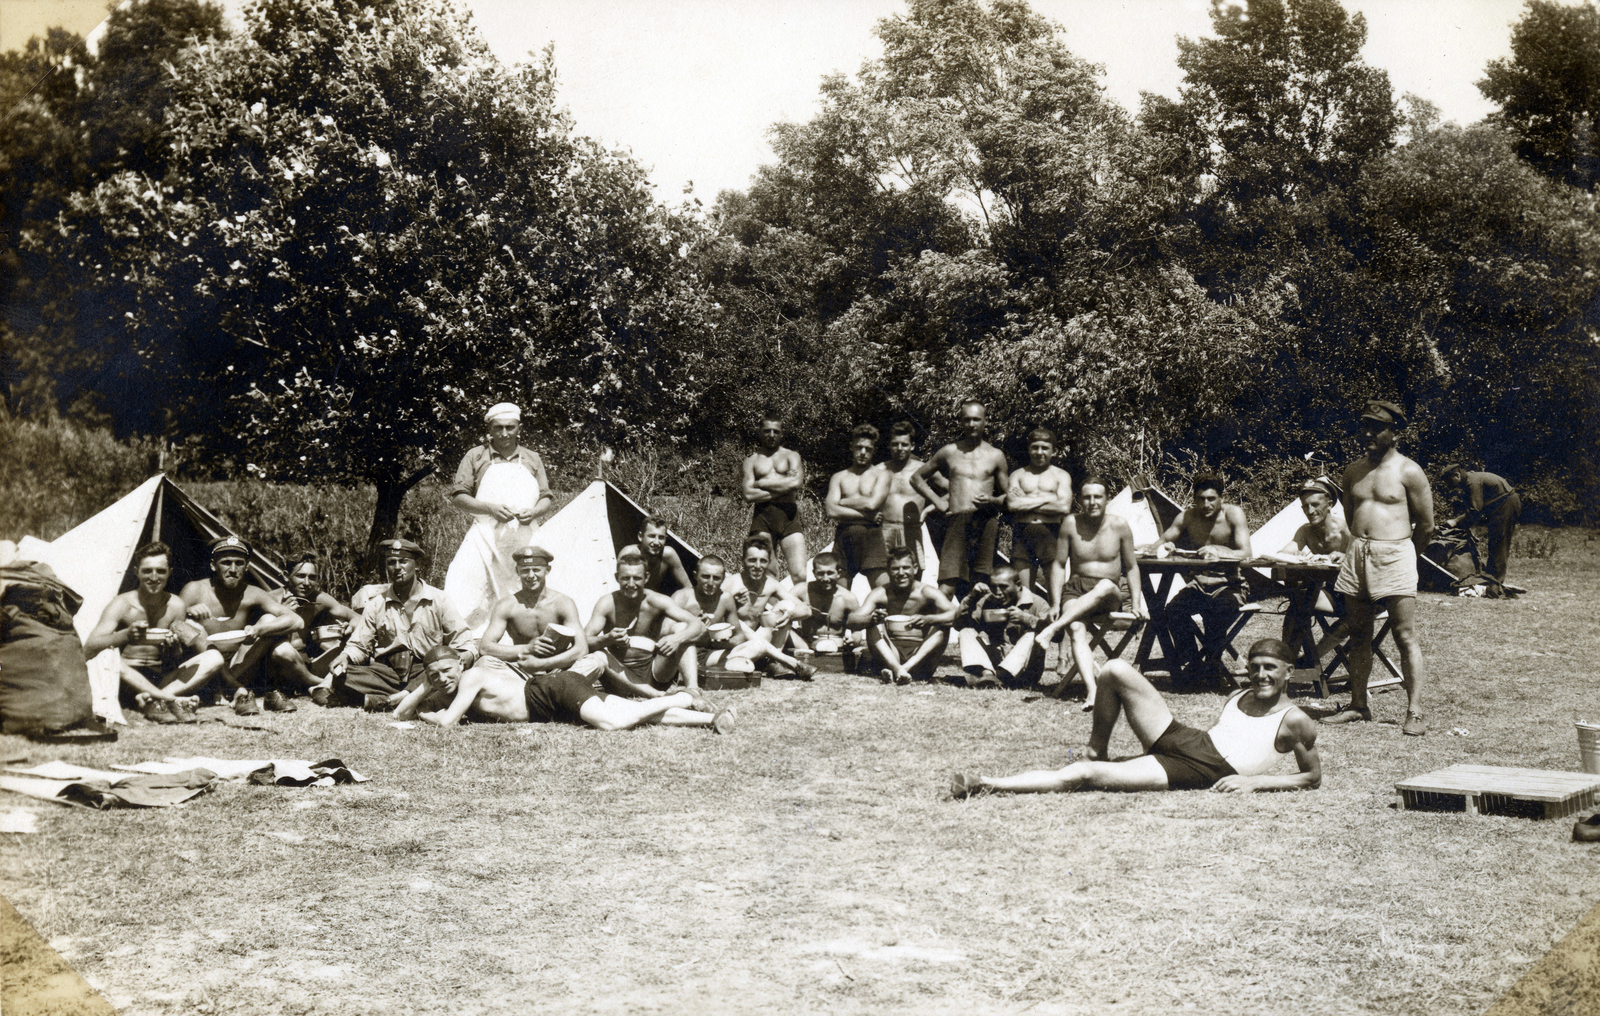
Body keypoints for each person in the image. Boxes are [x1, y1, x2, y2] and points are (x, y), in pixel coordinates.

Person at [949, 639, 1321, 797]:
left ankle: (986, 783)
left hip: (1200, 770)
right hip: (1187, 740)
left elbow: (1311, 777)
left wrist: (1254, 784)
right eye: (1254, 668)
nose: (1261, 676)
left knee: (1083, 775)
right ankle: (1098, 747)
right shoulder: (1239, 693)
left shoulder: (1295, 720)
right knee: (1114, 669)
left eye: (1270, 669)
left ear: (1289, 672)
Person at [1322, 401, 1433, 735]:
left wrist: (1405, 556)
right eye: (1364, 426)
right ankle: (1358, 705)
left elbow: (1427, 526)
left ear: (1394, 432)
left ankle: (1414, 711)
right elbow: (1351, 515)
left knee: (1404, 634)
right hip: (1358, 555)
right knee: (1359, 634)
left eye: (1376, 428)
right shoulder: (1353, 471)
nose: (1367, 434)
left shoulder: (1409, 472)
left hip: (1396, 554)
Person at [394, 645, 735, 733]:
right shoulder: (450, 682)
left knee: (611, 723)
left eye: (444, 671)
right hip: (551, 700)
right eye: (433, 676)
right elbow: (399, 712)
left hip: (549, 690)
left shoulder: (471, 677)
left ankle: (681, 696)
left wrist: (427, 712)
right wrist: (428, 683)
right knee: (629, 715)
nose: (440, 680)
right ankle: (709, 720)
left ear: (459, 663)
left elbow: (447, 723)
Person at [329, 539, 478, 710]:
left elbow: (465, 642)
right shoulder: (377, 603)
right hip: (388, 673)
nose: (397, 567)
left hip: (425, 669)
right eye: (392, 562)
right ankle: (410, 697)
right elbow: (360, 644)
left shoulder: (439, 599)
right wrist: (344, 657)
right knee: (343, 676)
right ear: (387, 568)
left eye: (403, 561)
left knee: (441, 675)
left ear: (416, 566)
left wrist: (464, 657)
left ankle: (389, 700)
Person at [443, 402, 555, 630]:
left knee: (526, 588)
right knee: (465, 587)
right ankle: (467, 640)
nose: (504, 433)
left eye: (510, 427)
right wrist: (490, 509)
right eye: (498, 428)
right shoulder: (476, 456)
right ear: (490, 429)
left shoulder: (532, 458)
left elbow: (546, 497)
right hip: (485, 537)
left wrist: (534, 512)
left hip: (525, 537)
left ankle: (524, 635)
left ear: (519, 428)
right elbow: (458, 496)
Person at [82, 541, 219, 724]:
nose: (154, 577)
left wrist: (174, 649)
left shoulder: (176, 605)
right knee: (107, 654)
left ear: (169, 572)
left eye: (160, 571)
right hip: (123, 679)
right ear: (137, 571)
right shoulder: (122, 604)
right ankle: (167, 699)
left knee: (214, 658)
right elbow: (89, 647)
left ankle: (154, 698)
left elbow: (174, 659)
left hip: (158, 677)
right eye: (147, 571)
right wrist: (126, 635)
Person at [1039, 477, 1147, 709]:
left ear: (1107, 499)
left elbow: (1132, 567)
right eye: (1086, 497)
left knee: (1106, 586)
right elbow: (1058, 565)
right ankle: (1092, 691)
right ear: (1080, 499)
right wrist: (1056, 603)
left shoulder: (1119, 525)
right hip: (1075, 590)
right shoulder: (1070, 523)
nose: (1092, 502)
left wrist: (1136, 603)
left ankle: (1053, 630)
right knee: (1077, 628)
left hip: (1107, 594)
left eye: (1097, 496)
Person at [179, 535, 304, 715]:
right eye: (226, 563)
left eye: (239, 563)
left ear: (246, 567)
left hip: (238, 665)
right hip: (204, 666)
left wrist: (258, 629)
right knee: (192, 625)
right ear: (213, 565)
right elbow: (174, 625)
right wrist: (189, 611)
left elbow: (296, 620)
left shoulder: (252, 593)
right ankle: (233, 687)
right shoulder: (195, 589)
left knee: (269, 620)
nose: (233, 569)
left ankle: (226, 687)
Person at [1155, 474, 1253, 681]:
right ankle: (1194, 662)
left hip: (1231, 585)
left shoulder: (1233, 514)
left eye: (1211, 499)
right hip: (1200, 585)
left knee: (1217, 610)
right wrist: (1166, 546)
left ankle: (1212, 663)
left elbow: (1246, 553)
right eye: (1200, 499)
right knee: (1172, 611)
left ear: (1221, 498)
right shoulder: (1187, 517)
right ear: (1194, 499)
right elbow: (1162, 541)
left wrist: (1219, 550)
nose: (1206, 504)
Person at [913, 400, 1010, 600]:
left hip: (985, 522)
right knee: (947, 586)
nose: (972, 424)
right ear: (961, 422)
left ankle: (977, 631)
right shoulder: (949, 451)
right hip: (957, 521)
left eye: (976, 419)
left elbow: (1010, 497)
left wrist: (992, 499)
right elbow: (916, 478)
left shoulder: (995, 456)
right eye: (967, 420)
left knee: (982, 585)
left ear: (985, 422)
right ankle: (936, 630)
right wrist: (937, 501)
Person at [670, 556, 815, 687]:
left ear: (722, 579)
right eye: (705, 577)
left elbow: (739, 636)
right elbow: (664, 632)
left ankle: (726, 667)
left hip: (711, 655)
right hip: (685, 653)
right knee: (681, 627)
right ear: (695, 576)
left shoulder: (724, 598)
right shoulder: (682, 597)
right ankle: (788, 662)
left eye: (716, 578)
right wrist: (693, 627)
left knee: (757, 644)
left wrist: (721, 641)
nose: (711, 583)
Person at [585, 554, 705, 698]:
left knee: (680, 628)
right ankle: (656, 695)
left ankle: (693, 690)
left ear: (646, 577)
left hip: (654, 673)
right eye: (625, 578)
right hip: (619, 677)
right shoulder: (607, 603)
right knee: (599, 655)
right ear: (617, 578)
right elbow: (584, 641)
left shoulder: (655, 600)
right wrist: (607, 639)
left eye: (637, 578)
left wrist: (676, 639)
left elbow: (697, 624)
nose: (631, 584)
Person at [476, 546, 592, 677]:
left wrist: (544, 664)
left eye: (536, 570)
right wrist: (527, 648)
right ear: (517, 571)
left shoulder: (563, 603)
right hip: (524, 672)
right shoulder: (506, 605)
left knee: (597, 660)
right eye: (525, 570)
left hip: (559, 671)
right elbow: (485, 647)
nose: (531, 576)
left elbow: (581, 649)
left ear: (547, 570)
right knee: (485, 662)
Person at [848, 547, 958, 684]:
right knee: (872, 624)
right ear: (888, 571)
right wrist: (871, 618)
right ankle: (896, 668)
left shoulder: (925, 592)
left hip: (921, 657)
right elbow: (851, 619)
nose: (901, 573)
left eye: (906, 568)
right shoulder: (881, 593)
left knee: (943, 626)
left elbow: (957, 614)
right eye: (895, 569)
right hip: (890, 654)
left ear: (915, 569)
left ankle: (902, 669)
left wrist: (929, 619)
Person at [1272, 478, 1352, 660]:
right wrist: (1294, 556)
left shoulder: (1346, 529)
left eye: (1315, 505)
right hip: (1334, 593)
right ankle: (1287, 658)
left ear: (1330, 504)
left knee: (1352, 620)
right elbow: (1284, 552)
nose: (1310, 511)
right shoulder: (1306, 531)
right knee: (1298, 602)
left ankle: (1308, 660)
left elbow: (1366, 558)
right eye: (1305, 506)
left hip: (1357, 596)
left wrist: (1345, 557)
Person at [269, 551, 357, 708]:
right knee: (283, 651)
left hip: (307, 662)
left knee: (353, 641)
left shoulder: (318, 599)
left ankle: (314, 685)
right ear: (286, 576)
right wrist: (283, 615)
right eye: (300, 576)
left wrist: (349, 627)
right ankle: (320, 685)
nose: (307, 583)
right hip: (276, 664)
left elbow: (357, 617)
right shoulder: (271, 599)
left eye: (312, 577)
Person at [741, 411, 808, 583]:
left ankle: (802, 609)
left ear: (781, 433)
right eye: (767, 431)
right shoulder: (751, 461)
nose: (771, 435)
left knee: (800, 574)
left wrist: (761, 483)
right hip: (763, 518)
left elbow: (796, 483)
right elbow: (748, 494)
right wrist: (782, 487)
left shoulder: (792, 456)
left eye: (776, 431)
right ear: (760, 432)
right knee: (769, 574)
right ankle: (772, 610)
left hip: (789, 517)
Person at [955, 565, 1047, 689]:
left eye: (1003, 587)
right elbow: (959, 625)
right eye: (993, 587)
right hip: (993, 665)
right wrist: (971, 597)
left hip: (1024, 672)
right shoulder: (987, 600)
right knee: (966, 631)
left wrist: (1026, 619)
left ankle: (999, 677)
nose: (998, 592)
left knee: (1033, 635)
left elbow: (1058, 634)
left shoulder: (1036, 602)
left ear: (1018, 585)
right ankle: (988, 676)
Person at [1006, 428, 1073, 595]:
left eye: (1044, 448)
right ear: (1029, 449)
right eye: (1035, 447)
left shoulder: (1061, 476)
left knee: (1055, 593)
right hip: (1023, 533)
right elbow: (1013, 506)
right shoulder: (1018, 475)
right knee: (1024, 593)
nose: (1039, 452)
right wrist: (1048, 498)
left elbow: (1064, 507)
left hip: (1051, 533)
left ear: (1054, 451)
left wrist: (1026, 501)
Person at [722, 537, 800, 675]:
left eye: (763, 561)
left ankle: (771, 661)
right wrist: (730, 603)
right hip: (734, 643)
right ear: (743, 560)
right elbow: (712, 616)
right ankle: (777, 659)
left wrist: (791, 614)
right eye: (752, 560)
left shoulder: (771, 584)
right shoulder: (730, 583)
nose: (757, 566)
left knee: (786, 605)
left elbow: (805, 609)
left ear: (769, 563)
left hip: (759, 640)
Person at [825, 424, 890, 588]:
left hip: (871, 537)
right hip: (844, 536)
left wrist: (842, 501)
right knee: (839, 594)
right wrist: (867, 516)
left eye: (867, 449)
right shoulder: (839, 477)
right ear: (851, 447)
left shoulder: (881, 475)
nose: (863, 452)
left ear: (874, 450)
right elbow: (831, 510)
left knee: (883, 592)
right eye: (859, 447)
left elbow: (872, 503)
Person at [1439, 464, 1521, 583]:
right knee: (1494, 542)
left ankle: (1495, 582)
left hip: (1506, 504)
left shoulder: (1472, 482)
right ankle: (1491, 576)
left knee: (1499, 542)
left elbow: (1475, 510)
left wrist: (1456, 521)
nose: (1449, 485)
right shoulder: (1469, 479)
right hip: (1500, 505)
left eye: (1449, 481)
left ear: (1457, 475)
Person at [875, 421, 931, 570]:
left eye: (904, 444)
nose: (899, 449)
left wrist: (928, 510)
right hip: (885, 530)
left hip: (911, 529)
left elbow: (953, 490)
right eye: (895, 444)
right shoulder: (878, 470)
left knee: (913, 577)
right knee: (883, 579)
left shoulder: (922, 470)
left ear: (912, 446)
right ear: (889, 445)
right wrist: (871, 514)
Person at [781, 552, 860, 658]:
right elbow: (780, 610)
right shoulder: (801, 590)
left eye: (830, 573)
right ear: (814, 573)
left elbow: (857, 630)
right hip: (805, 644)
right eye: (821, 573)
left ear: (838, 573)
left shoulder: (848, 598)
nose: (825, 578)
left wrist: (853, 640)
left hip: (837, 646)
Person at [617, 516, 694, 595]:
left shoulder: (668, 554)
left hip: (653, 601)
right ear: (640, 537)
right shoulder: (629, 553)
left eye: (661, 537)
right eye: (652, 536)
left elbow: (688, 588)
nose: (657, 542)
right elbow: (616, 587)